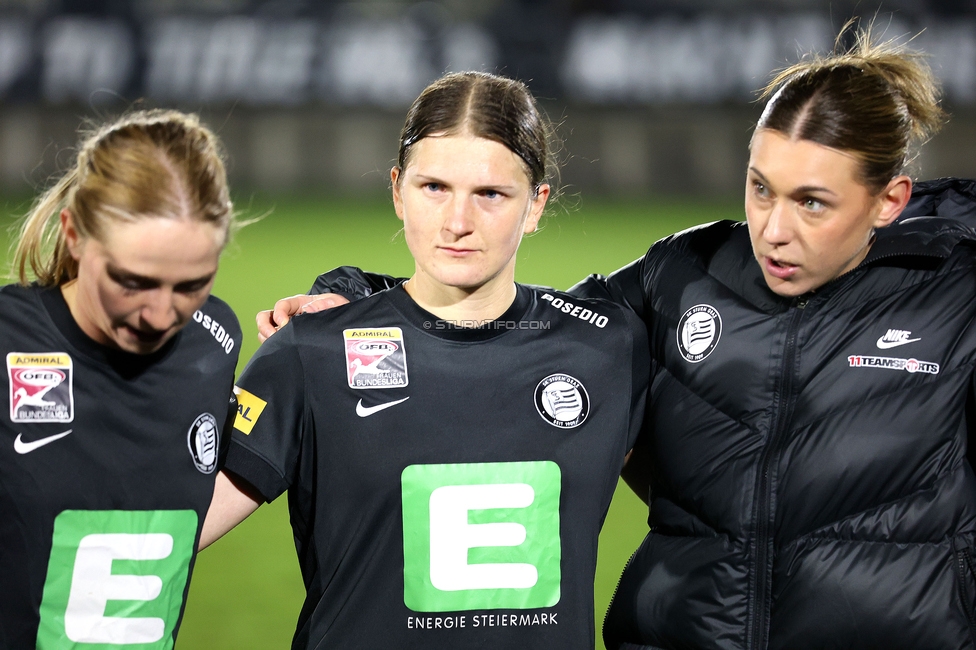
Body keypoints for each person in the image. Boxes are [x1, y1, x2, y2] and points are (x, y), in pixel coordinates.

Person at [259, 28, 976, 650]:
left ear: (890, 200)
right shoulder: (684, 275)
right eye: (760, 188)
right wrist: (363, 298)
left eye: (812, 202)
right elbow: (518, 326)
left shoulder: (954, 293)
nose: (774, 228)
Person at [200, 71, 650, 649]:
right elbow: (164, 532)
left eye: (490, 194)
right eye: (434, 187)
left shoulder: (608, 350)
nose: (457, 222)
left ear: (536, 205)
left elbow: (714, 518)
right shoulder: (310, 351)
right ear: (397, 191)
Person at [0, 109, 241, 649]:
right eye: (133, 281)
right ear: (76, 234)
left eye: (192, 284)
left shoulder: (214, 340)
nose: (160, 315)